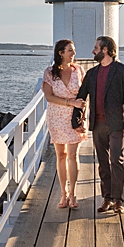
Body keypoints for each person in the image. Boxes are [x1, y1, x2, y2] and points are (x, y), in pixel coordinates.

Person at [76, 35, 124, 214]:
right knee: (102, 163)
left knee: (116, 160)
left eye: (96, 48)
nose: (93, 51)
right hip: (98, 124)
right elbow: (81, 96)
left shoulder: (122, 70)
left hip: (117, 124)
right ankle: (107, 198)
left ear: (105, 50)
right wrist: (76, 120)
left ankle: (118, 200)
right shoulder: (92, 73)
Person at [41, 39, 86, 209]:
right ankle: (63, 193)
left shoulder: (79, 71)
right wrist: (70, 102)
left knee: (73, 155)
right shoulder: (50, 73)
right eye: (70, 50)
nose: (73, 53)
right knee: (61, 155)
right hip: (57, 116)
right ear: (60, 53)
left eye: (73, 50)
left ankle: (73, 194)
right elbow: (49, 97)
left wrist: (82, 116)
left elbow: (84, 95)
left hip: (74, 117)